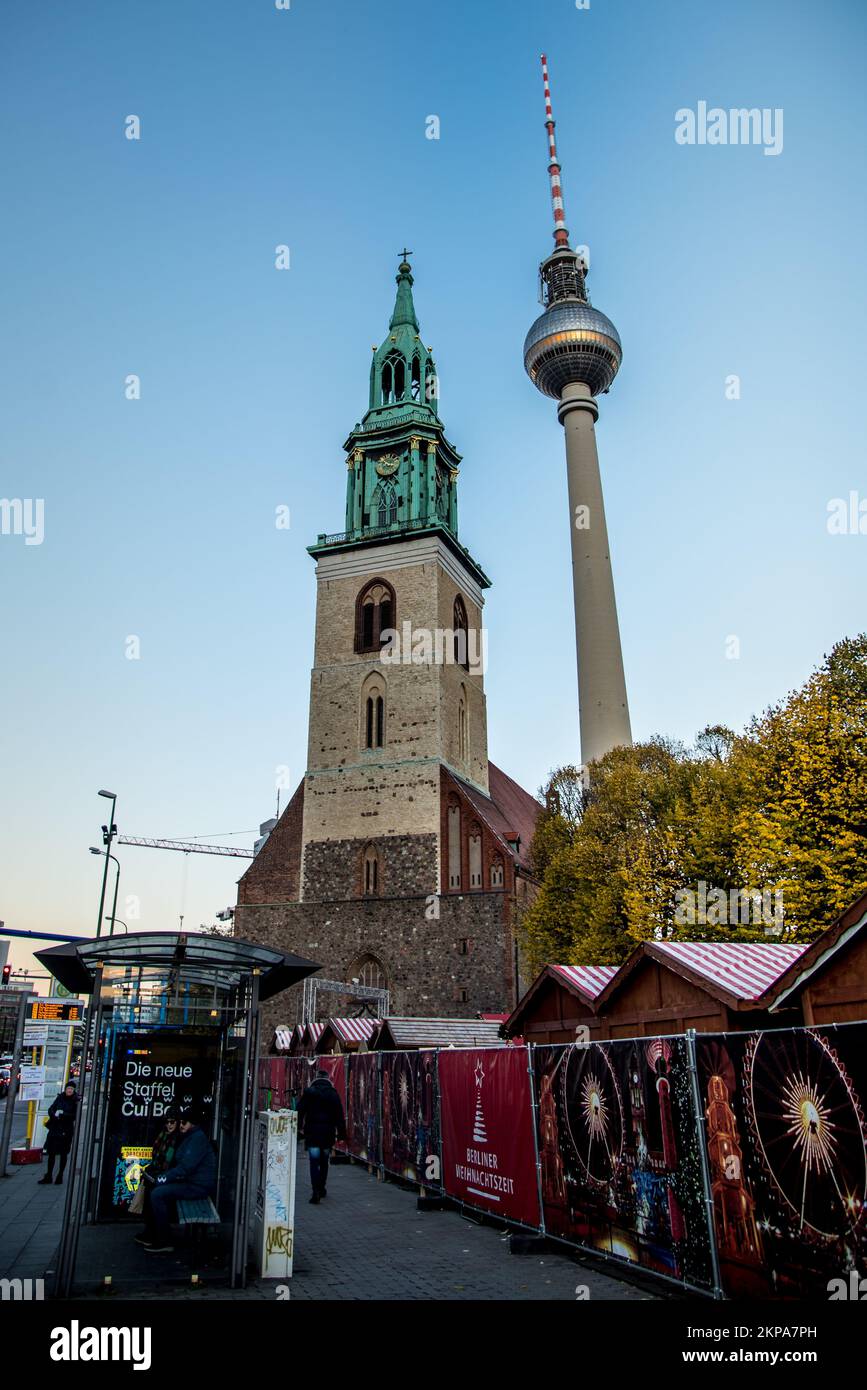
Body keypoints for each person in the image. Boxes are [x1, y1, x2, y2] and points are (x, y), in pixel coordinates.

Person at [145, 1107, 217, 1253]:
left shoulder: (197, 1139)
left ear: (193, 1124)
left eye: (184, 1122)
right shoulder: (190, 1137)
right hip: (191, 1182)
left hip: (197, 1186)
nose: (181, 1125)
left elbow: (185, 1167)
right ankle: (154, 1233)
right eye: (181, 1122)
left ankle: (164, 1240)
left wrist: (163, 1178)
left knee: (157, 1194)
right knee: (154, 1189)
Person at [297, 1067, 346, 1204]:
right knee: (324, 1161)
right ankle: (322, 1187)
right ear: (327, 1079)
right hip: (327, 1133)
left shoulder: (309, 1093)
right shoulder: (333, 1094)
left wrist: (298, 1128)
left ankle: (315, 1191)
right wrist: (341, 1134)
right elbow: (339, 1115)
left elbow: (300, 1111)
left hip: (312, 1132)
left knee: (313, 1162)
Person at [133, 1108, 181, 1246]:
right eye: (167, 1122)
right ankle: (151, 1229)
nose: (169, 1125)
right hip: (159, 1173)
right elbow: (157, 1156)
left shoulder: (175, 1139)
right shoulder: (164, 1135)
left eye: (172, 1122)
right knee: (149, 1191)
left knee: (153, 1194)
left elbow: (170, 1161)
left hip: (167, 1176)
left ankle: (154, 1232)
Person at [38, 1082, 79, 1185]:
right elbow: (51, 1108)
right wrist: (53, 1114)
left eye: (71, 1089)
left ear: (74, 1090)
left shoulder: (75, 1100)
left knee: (63, 1154)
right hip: (55, 1129)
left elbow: (75, 1115)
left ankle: (60, 1175)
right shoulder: (60, 1097)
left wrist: (62, 1115)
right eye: (68, 1088)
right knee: (51, 1153)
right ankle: (49, 1175)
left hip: (66, 1130)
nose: (69, 1090)